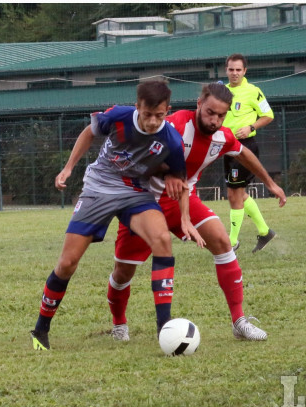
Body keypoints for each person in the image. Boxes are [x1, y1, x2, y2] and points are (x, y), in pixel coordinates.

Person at [30, 80, 205, 351]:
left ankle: (165, 329)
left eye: (159, 115)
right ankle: (41, 329)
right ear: (138, 107)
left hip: (135, 191)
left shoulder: (170, 137)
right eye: (147, 115)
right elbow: (89, 132)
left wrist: (184, 218)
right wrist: (68, 169)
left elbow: (181, 180)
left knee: (162, 241)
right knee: (67, 263)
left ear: (167, 110)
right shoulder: (119, 116)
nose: (152, 122)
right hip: (99, 186)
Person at [107, 83, 287, 343]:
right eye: (210, 112)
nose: (214, 120)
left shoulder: (221, 137)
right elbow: (142, 151)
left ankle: (239, 321)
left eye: (221, 116)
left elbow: (243, 153)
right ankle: (119, 323)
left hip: (184, 199)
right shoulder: (175, 124)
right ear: (199, 103)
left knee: (224, 243)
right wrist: (165, 172)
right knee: (123, 272)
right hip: (143, 202)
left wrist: (270, 183)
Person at [222, 53, 276, 253]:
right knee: (238, 193)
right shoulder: (222, 92)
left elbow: (268, 115)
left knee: (234, 194)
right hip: (227, 148)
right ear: (226, 70)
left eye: (238, 70)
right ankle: (264, 231)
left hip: (244, 147)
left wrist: (251, 127)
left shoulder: (253, 91)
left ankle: (232, 241)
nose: (234, 73)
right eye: (231, 69)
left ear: (245, 71)